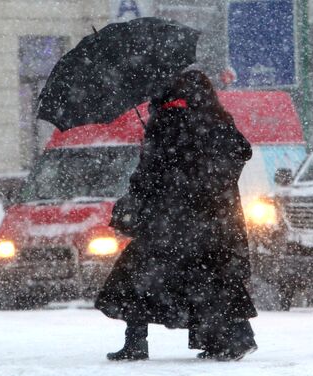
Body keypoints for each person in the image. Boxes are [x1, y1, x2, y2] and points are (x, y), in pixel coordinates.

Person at [95, 70, 258, 361]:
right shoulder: (218, 121)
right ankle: (231, 339)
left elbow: (149, 174)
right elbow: (241, 152)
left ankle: (136, 342)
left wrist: (143, 188)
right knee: (213, 279)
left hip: (170, 220)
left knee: (136, 276)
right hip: (214, 218)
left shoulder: (168, 123)